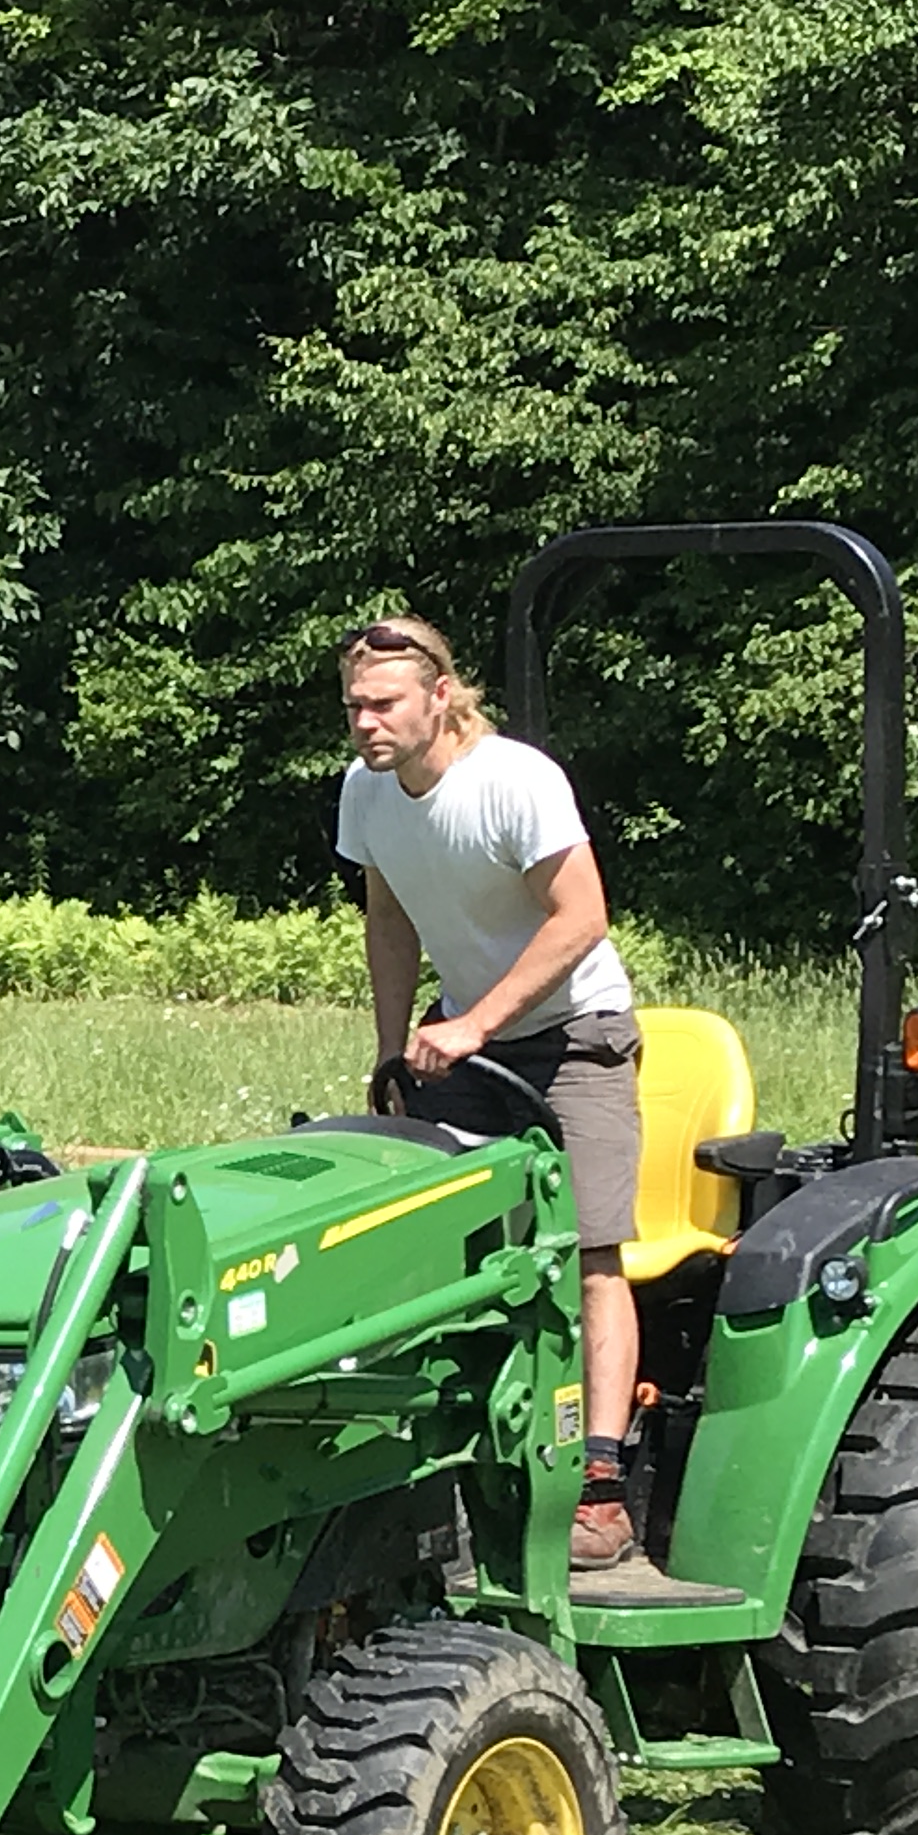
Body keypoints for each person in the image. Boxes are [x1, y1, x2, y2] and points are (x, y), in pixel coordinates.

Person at [335, 612, 649, 1568]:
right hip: (461, 1046)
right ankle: (444, 1470)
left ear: (441, 695)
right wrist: (391, 1050)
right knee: (434, 1248)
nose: (366, 724)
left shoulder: (514, 781)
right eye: (354, 706)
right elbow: (388, 918)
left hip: (575, 1037)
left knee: (589, 1253)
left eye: (385, 704)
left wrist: (475, 1023)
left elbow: (583, 916)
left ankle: (600, 1487)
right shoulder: (367, 791)